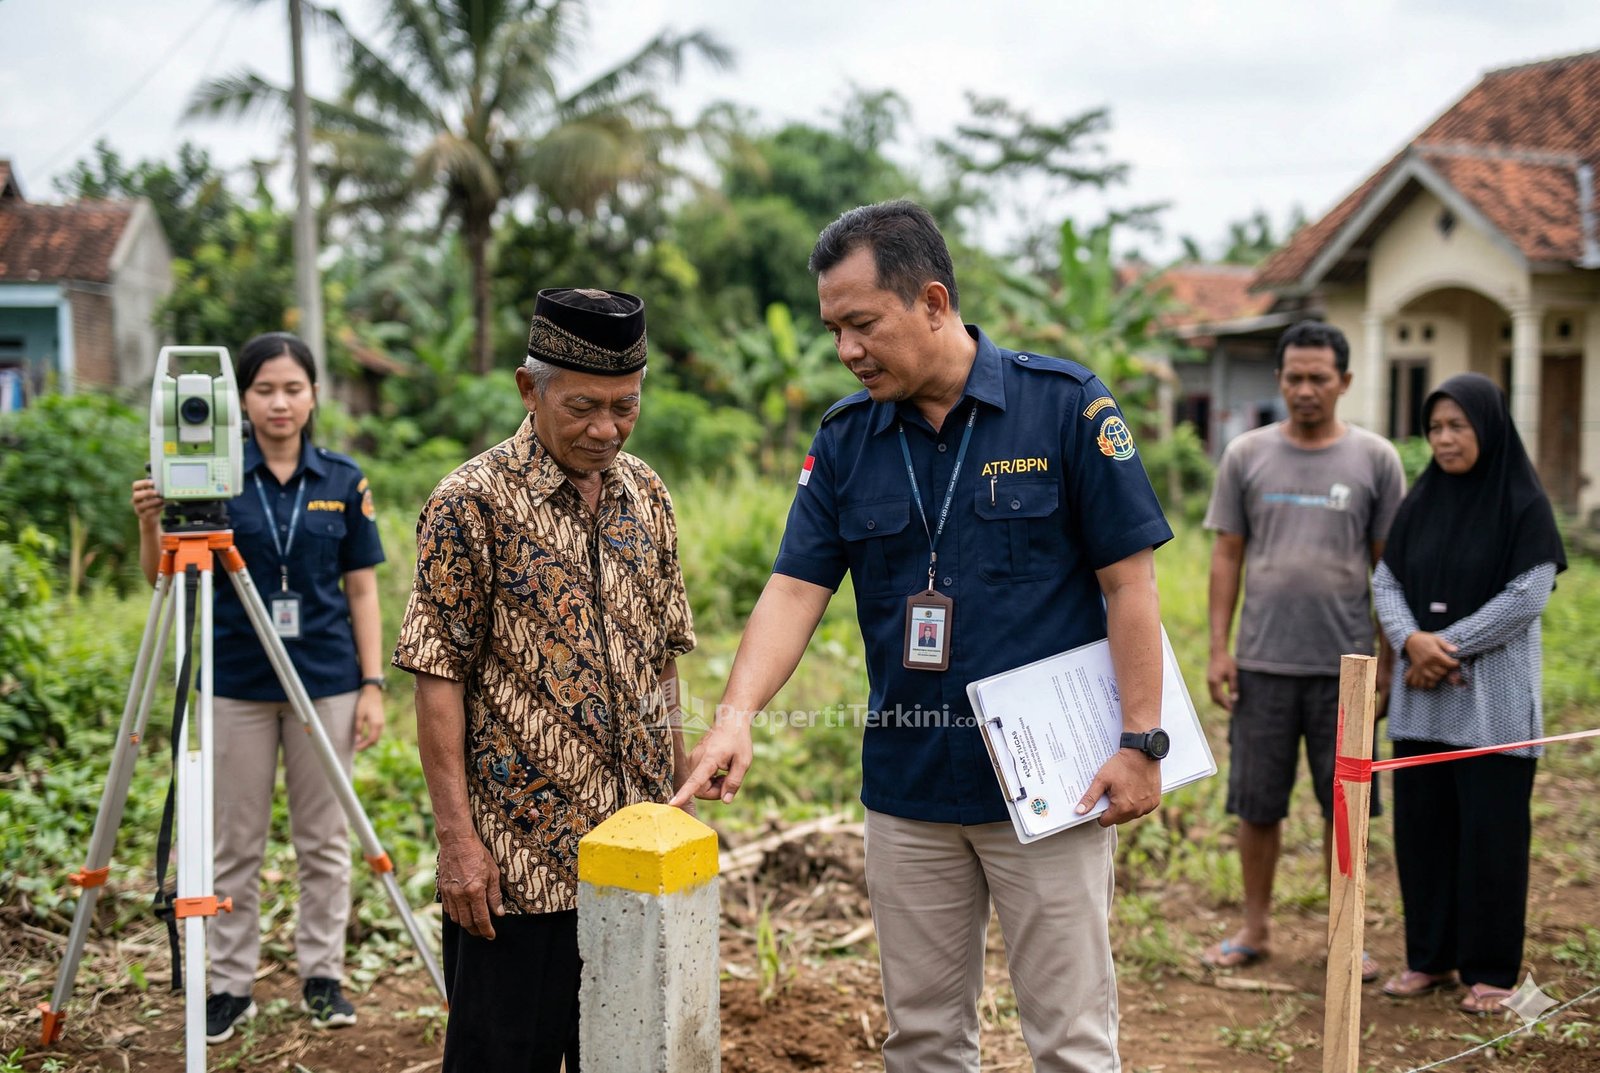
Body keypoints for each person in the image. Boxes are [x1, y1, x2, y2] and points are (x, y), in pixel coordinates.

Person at [673, 200, 1172, 1072]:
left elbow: (1129, 581)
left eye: (861, 324)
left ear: (933, 301)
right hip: (909, 791)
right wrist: (737, 713)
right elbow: (795, 588)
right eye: (834, 329)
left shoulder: (1062, 407)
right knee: (925, 1042)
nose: (845, 350)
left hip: (1052, 788)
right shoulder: (846, 441)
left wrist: (1141, 740)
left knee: (1071, 1042)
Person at [393, 288, 696, 1073]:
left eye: (625, 407)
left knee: (631, 1057)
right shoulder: (470, 504)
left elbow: (664, 654)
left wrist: (679, 774)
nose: (606, 429)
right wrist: (458, 843)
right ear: (530, 390)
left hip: (635, 860)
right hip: (518, 877)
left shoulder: (648, 494)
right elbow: (436, 674)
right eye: (583, 407)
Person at [130, 331, 387, 1043]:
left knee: (325, 839)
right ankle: (229, 985)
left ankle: (322, 975)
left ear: (312, 396)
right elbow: (164, 577)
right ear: (239, 398)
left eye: (293, 388)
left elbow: (362, 590)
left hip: (326, 681)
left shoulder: (342, 478)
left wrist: (372, 682)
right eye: (264, 388)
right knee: (234, 841)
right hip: (236, 682)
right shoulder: (209, 472)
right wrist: (150, 521)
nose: (279, 402)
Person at [1200, 321, 1405, 978]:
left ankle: (1345, 936)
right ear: (1280, 379)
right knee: (1257, 803)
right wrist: (1217, 648)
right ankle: (1255, 926)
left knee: (1343, 805)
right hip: (1261, 662)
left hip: (1345, 669)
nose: (1305, 389)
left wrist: (1387, 662)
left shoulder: (1376, 460)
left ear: (1344, 381)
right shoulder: (1246, 454)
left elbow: (1389, 569)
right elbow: (1226, 553)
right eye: (1294, 377)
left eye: (1319, 378)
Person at [1372, 373, 1565, 1015]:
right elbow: (1385, 581)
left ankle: (1490, 972)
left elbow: (1527, 595)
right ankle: (1428, 959)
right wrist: (1409, 640)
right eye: (1436, 427)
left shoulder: (1523, 504)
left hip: (1494, 710)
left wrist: (1438, 646)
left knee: (1492, 839)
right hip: (1423, 703)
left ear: (1489, 427)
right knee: (1422, 834)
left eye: (1459, 426)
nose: (1445, 439)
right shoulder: (1420, 502)